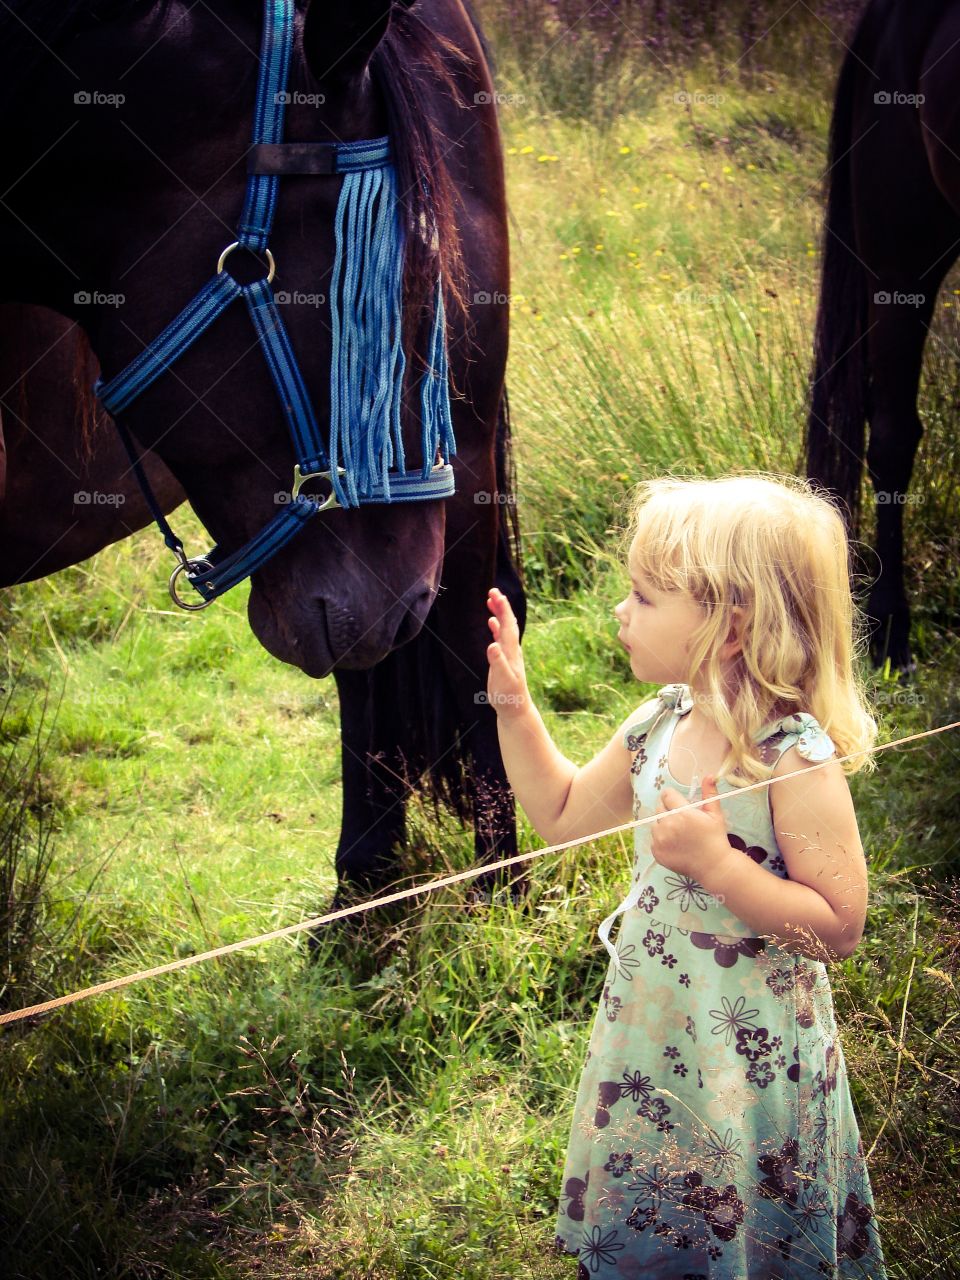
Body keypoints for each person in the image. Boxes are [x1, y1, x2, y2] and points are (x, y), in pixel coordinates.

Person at [484, 474, 887, 1279]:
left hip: (751, 1051)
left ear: (728, 630)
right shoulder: (659, 723)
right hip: (657, 1031)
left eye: (642, 596)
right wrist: (514, 709)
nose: (619, 613)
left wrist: (717, 866)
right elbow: (561, 813)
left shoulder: (790, 759)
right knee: (665, 1203)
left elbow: (838, 927)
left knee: (747, 1210)